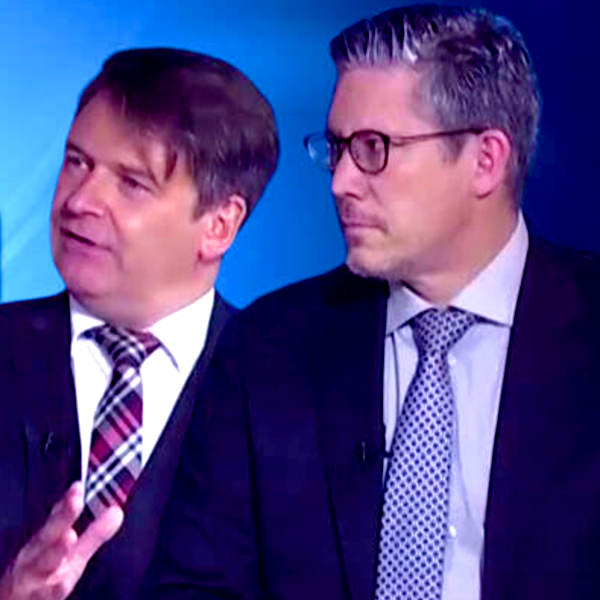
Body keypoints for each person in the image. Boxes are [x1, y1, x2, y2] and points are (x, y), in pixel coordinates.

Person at [144, 5, 600, 600]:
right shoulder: (266, 351)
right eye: (337, 148)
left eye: (374, 148)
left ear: (485, 160)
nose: (341, 183)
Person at [0, 47, 278, 600]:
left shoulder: (279, 392)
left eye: (131, 183)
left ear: (219, 226)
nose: (80, 201)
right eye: (77, 162)